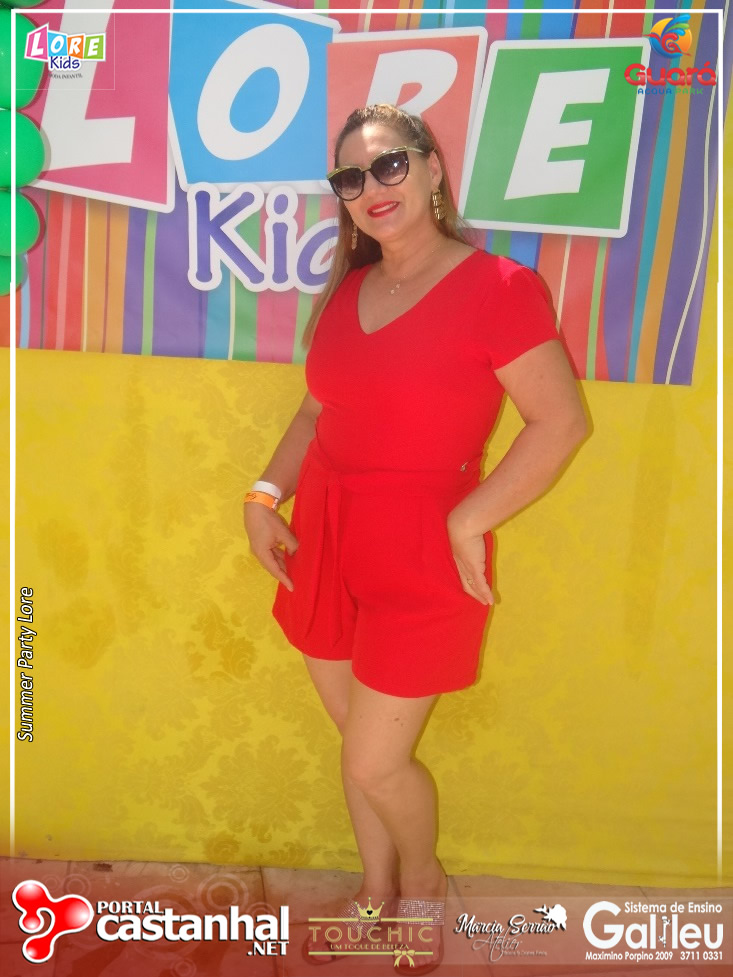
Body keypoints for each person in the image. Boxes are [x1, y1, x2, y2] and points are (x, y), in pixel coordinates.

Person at [243, 103, 587, 973]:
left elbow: (560, 422)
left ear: (433, 169)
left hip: (423, 552)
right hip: (326, 538)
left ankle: (423, 884)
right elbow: (317, 410)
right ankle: (374, 890)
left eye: (390, 164)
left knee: (374, 759)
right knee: (358, 751)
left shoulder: (500, 288)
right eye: (350, 177)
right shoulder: (349, 288)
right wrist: (263, 493)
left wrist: (469, 518)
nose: (372, 188)